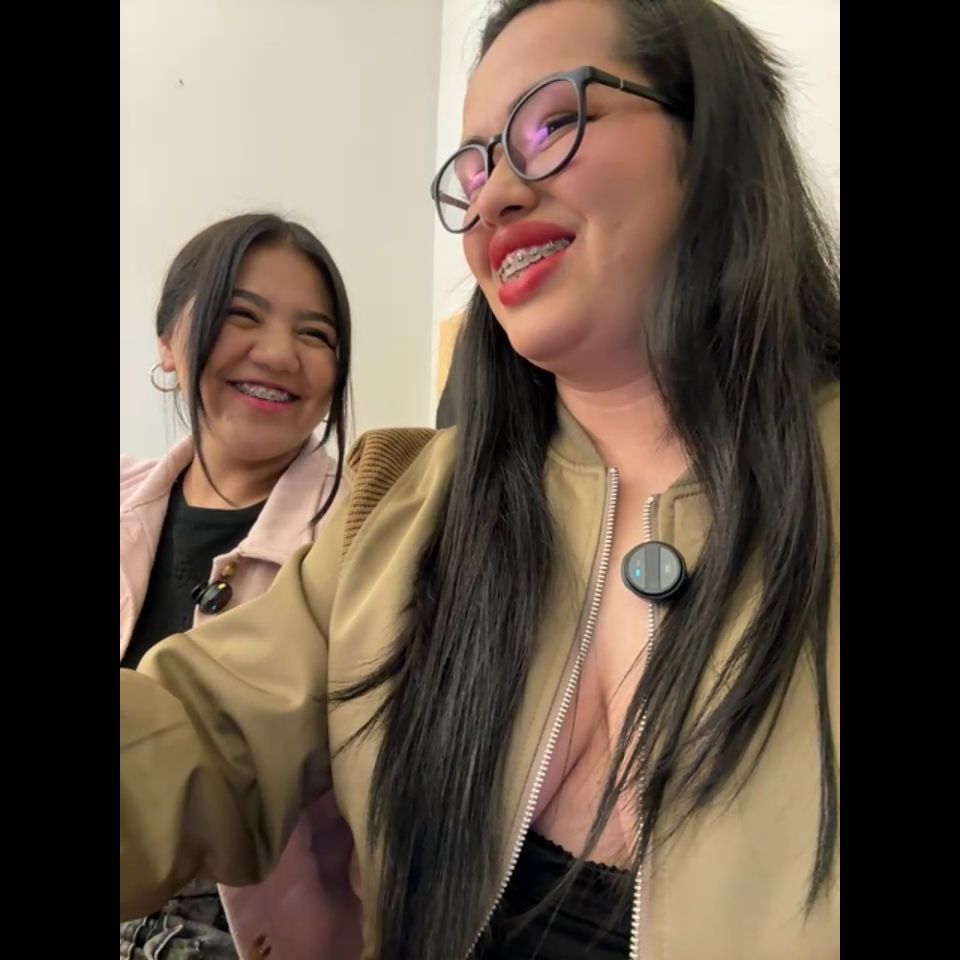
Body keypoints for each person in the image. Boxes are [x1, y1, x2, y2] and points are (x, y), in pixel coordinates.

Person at [120, 3, 840, 958]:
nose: (495, 194)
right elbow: (201, 734)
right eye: (472, 168)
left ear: (712, 137)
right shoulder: (398, 507)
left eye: (550, 124)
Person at [120, 213, 359, 959]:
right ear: (168, 343)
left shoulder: (371, 534)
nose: (280, 354)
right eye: (241, 316)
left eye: (315, 334)